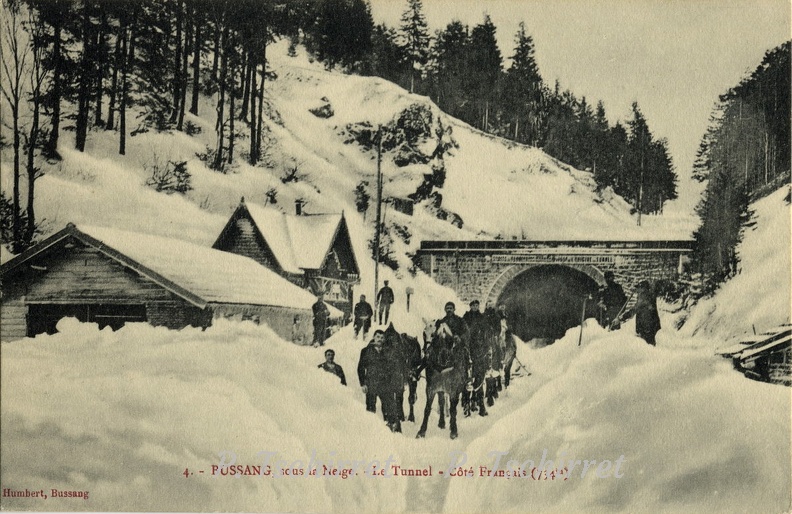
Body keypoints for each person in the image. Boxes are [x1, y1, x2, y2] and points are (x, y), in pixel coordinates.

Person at [357, 330, 401, 431]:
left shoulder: (388, 351)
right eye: (378, 337)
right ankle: (370, 429)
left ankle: (389, 428)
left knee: (388, 407)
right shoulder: (366, 351)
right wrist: (363, 384)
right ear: (373, 337)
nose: (380, 340)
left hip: (385, 384)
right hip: (371, 384)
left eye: (382, 338)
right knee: (370, 408)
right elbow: (360, 368)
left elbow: (394, 368)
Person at [463, 300, 489, 416]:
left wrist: (486, 345)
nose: (475, 307)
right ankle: (466, 401)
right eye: (473, 305)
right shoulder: (466, 317)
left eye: (477, 305)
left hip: (479, 347)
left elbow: (486, 332)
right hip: (468, 346)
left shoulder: (482, 317)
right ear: (470, 306)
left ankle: (479, 401)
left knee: (480, 372)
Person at [634, 281, 661, 346]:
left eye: (639, 288)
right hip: (650, 325)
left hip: (647, 326)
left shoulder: (644, 297)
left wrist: (622, 318)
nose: (637, 290)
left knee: (648, 346)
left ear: (643, 288)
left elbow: (634, 309)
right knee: (650, 345)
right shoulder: (649, 295)